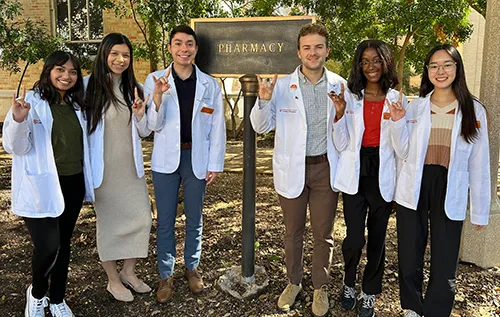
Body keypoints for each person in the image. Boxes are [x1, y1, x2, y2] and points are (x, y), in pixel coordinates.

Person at [250, 23, 345, 317]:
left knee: (323, 233)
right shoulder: (280, 86)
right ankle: (293, 282)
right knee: (292, 232)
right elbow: (261, 126)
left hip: (325, 169)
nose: (313, 53)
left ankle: (320, 286)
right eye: (307, 47)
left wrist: (340, 114)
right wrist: (263, 101)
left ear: (327, 50)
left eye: (318, 47)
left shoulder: (339, 85)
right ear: (298, 52)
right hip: (292, 167)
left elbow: (345, 137)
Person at [392, 44, 490, 317]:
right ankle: (412, 307)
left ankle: (436, 311)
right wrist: (398, 123)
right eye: (434, 66)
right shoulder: (415, 107)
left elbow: (479, 164)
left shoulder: (474, 110)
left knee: (444, 259)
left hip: (450, 186)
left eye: (447, 64)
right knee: (410, 252)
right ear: (427, 72)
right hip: (416, 184)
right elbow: (402, 152)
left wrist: (480, 210)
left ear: (457, 69)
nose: (440, 71)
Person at [2, 51, 93, 317]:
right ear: (49, 71)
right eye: (60, 70)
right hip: (40, 186)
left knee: (64, 244)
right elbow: (14, 146)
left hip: (73, 182)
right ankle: (38, 294)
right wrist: (18, 119)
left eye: (73, 72)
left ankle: (58, 299)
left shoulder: (77, 106)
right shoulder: (30, 102)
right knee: (47, 246)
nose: (67, 76)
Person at [143, 25, 226, 303]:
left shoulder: (210, 85)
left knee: (195, 217)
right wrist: (157, 95)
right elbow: (149, 126)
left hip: (196, 159)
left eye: (189, 44)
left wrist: (214, 163)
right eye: (178, 44)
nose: (184, 49)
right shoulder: (155, 79)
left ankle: (192, 268)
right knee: (165, 220)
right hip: (166, 159)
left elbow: (216, 127)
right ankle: (165, 275)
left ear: (196, 49)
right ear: (170, 48)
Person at [329, 40, 407, 317]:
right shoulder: (350, 97)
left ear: (385, 62)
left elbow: (403, 149)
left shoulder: (397, 98)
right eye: (365, 61)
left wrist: (398, 122)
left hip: (383, 173)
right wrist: (339, 115)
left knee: (377, 237)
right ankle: (348, 281)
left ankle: (369, 292)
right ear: (358, 65)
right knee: (353, 238)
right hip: (355, 171)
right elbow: (341, 144)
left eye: (376, 60)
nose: (370, 66)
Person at [84, 33, 152, 302]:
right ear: (104, 54)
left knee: (142, 219)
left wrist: (139, 114)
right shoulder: (88, 88)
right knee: (110, 225)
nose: (120, 60)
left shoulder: (134, 88)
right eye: (114, 54)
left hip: (130, 169)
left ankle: (129, 272)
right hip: (104, 171)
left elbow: (144, 131)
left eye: (125, 55)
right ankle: (113, 280)